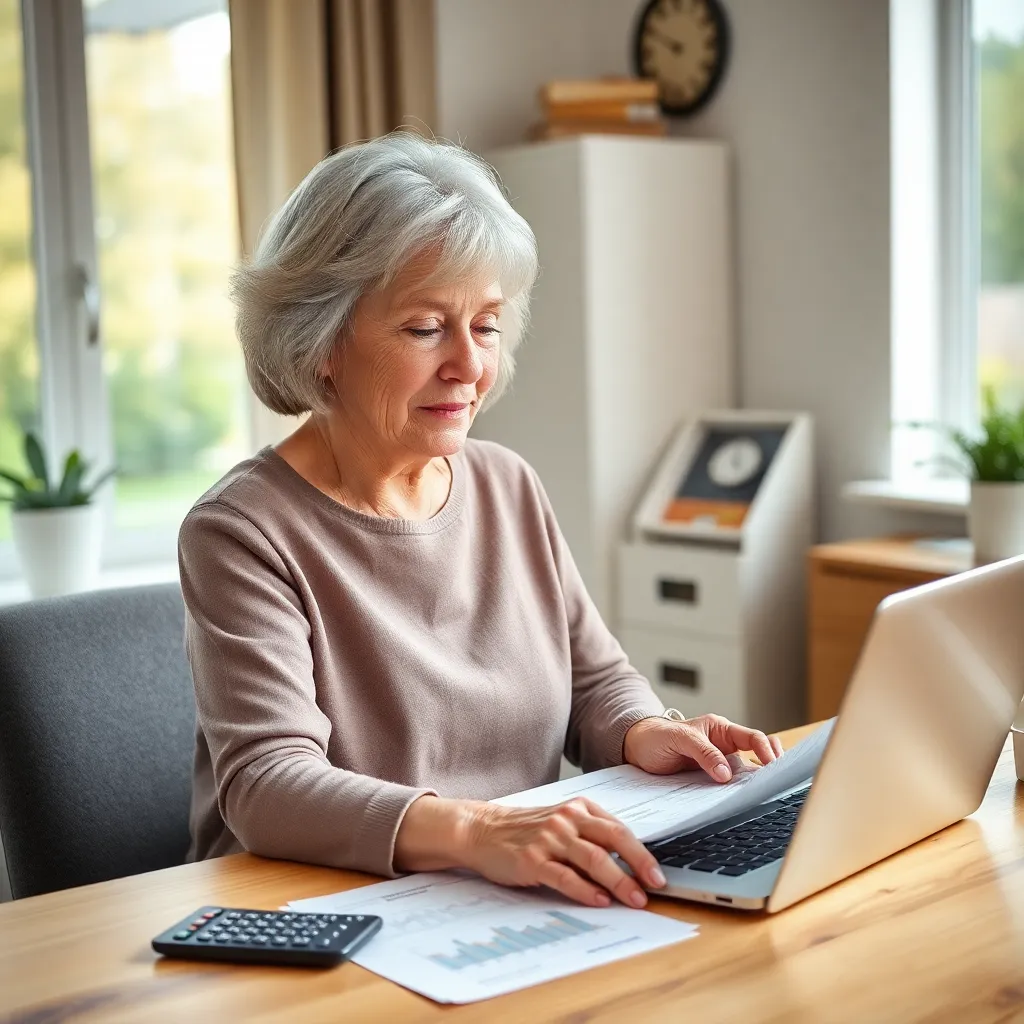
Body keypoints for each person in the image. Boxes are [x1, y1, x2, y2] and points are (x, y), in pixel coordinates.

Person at [179, 131, 783, 912]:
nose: (469, 365)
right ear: (321, 341)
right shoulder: (243, 531)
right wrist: (479, 831)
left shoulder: (508, 485)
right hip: (309, 912)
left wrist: (645, 731)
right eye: (426, 327)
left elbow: (595, 682)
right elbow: (267, 785)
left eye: (487, 325)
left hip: (497, 894)